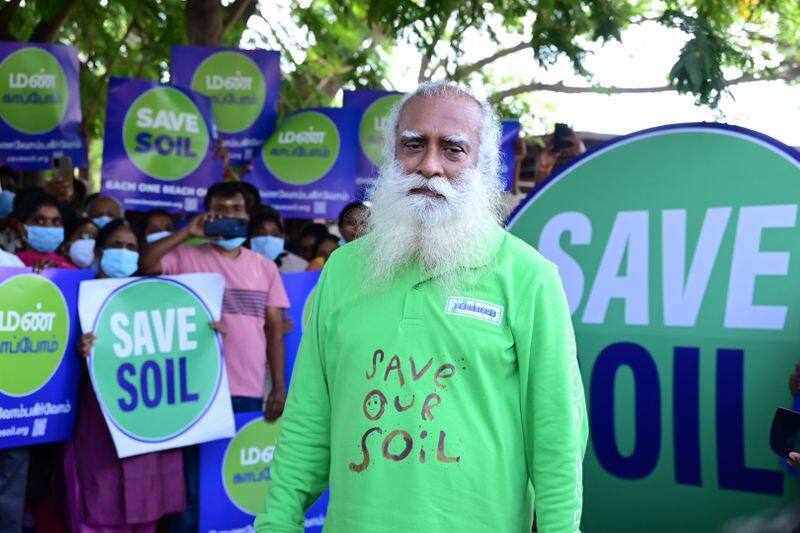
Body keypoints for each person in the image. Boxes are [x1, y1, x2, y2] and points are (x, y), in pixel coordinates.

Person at [256, 82, 588, 532]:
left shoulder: (529, 277)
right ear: (392, 156)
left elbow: (556, 435)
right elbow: (308, 418)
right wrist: (278, 522)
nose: (429, 166)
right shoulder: (343, 269)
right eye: (413, 145)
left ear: (483, 164)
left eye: (453, 150)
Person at [138, 181, 290, 531]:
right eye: (220, 210)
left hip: (249, 388)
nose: (229, 216)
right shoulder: (188, 254)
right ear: (207, 214)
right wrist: (187, 232)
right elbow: (145, 265)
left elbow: (273, 331)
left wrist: (278, 388)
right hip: (196, 390)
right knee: (193, 483)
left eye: (237, 209)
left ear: (248, 215)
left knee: (235, 477)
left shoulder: (265, 267)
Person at [66, 219, 186, 532]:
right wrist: (79, 351)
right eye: (116, 246)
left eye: (131, 247)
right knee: (98, 494)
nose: (124, 253)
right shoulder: (76, 292)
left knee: (144, 497)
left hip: (142, 417)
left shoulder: (153, 296)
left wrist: (209, 335)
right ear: (100, 251)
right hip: (94, 415)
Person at [13, 187, 75, 269]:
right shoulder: (10, 265)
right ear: (22, 229)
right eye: (40, 221)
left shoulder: (69, 268)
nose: (49, 227)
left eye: (56, 222)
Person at [249, 206, 308, 273]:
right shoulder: (239, 266)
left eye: (275, 235)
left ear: (283, 237)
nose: (269, 239)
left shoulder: (299, 267)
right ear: (249, 237)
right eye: (261, 234)